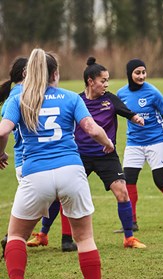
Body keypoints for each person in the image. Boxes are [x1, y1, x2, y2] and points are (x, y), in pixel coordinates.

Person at [0, 49, 114, 279]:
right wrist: (107, 142)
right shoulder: (71, 97)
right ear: (55, 74)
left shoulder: (20, 98)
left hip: (35, 174)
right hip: (71, 171)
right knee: (84, 238)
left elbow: (4, 130)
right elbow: (91, 128)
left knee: (16, 235)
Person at [29, 57, 147, 249]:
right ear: (91, 81)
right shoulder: (77, 100)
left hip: (106, 155)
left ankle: (129, 238)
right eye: (103, 80)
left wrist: (136, 118)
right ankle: (43, 234)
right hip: (79, 156)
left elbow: (127, 112)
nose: (106, 84)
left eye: (107, 80)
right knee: (59, 195)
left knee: (122, 192)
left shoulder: (110, 99)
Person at [0, 57, 77, 253]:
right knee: (55, 197)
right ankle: (13, 239)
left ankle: (58, 237)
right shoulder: (26, 95)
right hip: (32, 160)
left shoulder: (15, 96)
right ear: (27, 73)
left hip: (26, 161)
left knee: (52, 198)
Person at [116, 59, 163, 230]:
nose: (141, 76)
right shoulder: (121, 94)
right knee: (129, 180)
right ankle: (132, 222)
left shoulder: (153, 93)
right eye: (137, 73)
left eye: (143, 72)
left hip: (156, 142)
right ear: (129, 74)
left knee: (160, 181)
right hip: (134, 143)